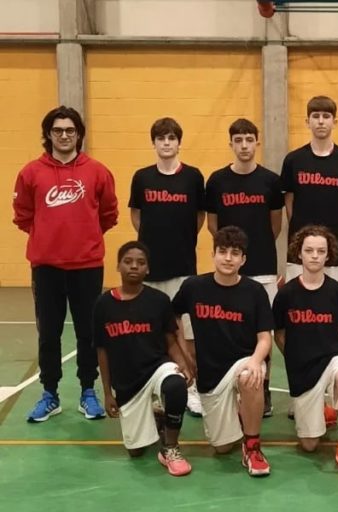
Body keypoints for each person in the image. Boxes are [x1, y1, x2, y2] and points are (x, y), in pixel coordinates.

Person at [13, 105, 118, 423]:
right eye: (57, 130)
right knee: (49, 334)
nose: (64, 135)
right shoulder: (31, 173)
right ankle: (50, 394)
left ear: (79, 134)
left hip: (87, 267)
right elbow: (23, 216)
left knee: (88, 333)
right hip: (46, 268)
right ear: (48, 134)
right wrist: (48, 238)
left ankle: (88, 392)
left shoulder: (98, 172)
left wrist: (83, 238)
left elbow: (108, 214)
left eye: (70, 130)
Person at [172, 226, 273, 476]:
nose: (228, 258)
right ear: (213, 254)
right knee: (222, 447)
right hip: (211, 374)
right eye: (223, 251)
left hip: (242, 362)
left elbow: (264, 338)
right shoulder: (194, 287)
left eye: (235, 253)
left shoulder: (254, 291)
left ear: (243, 260)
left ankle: (252, 446)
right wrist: (184, 356)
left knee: (251, 377)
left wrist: (255, 361)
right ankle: (239, 416)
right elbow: (171, 318)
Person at [273, 225, 338, 476]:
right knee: (309, 445)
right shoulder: (286, 294)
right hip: (303, 367)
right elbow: (279, 334)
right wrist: (294, 356)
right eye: (309, 250)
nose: (315, 256)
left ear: (328, 255)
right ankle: (323, 410)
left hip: (332, 359)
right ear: (299, 253)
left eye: (321, 251)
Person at [94, 241, 193, 476]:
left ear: (148, 269)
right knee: (136, 451)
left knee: (176, 385)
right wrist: (107, 392)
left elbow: (170, 340)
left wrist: (183, 364)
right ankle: (156, 416)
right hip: (128, 383)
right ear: (118, 266)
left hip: (157, 368)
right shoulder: (104, 304)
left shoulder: (159, 300)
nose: (134, 266)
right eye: (128, 261)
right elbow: (102, 350)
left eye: (140, 263)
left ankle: (170, 447)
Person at [206, 118, 283, 417]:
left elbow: (275, 226)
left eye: (249, 139)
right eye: (238, 140)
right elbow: (213, 225)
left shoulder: (270, 181)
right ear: (231, 144)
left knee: (263, 331)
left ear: (257, 142)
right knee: (231, 329)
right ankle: (230, 386)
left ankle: (263, 387)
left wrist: (255, 250)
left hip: (263, 267)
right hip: (229, 270)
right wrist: (231, 257)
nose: (244, 145)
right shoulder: (217, 181)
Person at [128, 117, 205, 417]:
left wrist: (181, 240)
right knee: (151, 331)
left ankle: (192, 388)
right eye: (161, 138)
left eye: (171, 138)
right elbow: (137, 215)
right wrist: (151, 243)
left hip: (183, 266)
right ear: (154, 143)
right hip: (151, 270)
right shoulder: (142, 177)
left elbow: (199, 217)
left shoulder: (193, 177)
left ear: (179, 142)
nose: (166, 143)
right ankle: (154, 389)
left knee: (186, 332)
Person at [281, 96, 338, 289]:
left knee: (336, 300)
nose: (321, 121)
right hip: (301, 248)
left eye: (326, 116)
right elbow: (289, 200)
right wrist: (302, 228)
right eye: (316, 116)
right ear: (307, 122)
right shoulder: (293, 160)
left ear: (335, 121)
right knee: (299, 300)